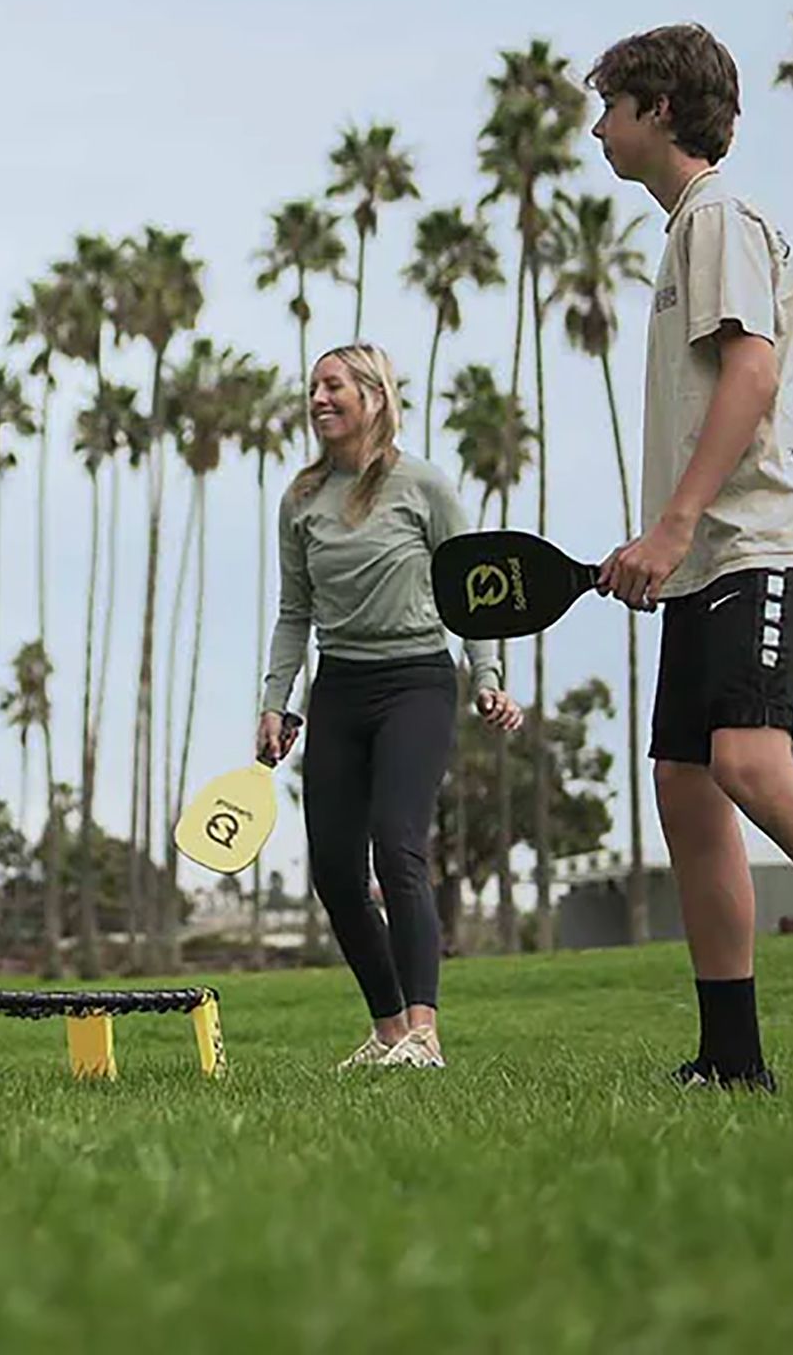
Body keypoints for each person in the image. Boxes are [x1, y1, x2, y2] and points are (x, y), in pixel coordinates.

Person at [590, 23, 793, 1091]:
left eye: (610, 105)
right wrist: (661, 539)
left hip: (756, 543)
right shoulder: (689, 227)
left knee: (746, 761)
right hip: (704, 556)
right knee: (686, 782)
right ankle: (732, 1059)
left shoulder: (718, 214)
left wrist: (678, 522)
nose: (598, 126)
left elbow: (752, 375)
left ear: (657, 110)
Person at [259, 341, 523, 1070]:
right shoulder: (300, 500)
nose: (318, 398)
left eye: (334, 385)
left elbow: (474, 591)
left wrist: (489, 676)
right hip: (339, 687)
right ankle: (386, 1032)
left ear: (373, 396)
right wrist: (275, 703)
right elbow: (294, 612)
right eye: (312, 386)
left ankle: (425, 1033)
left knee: (397, 846)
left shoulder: (424, 487)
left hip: (415, 681)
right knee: (335, 873)